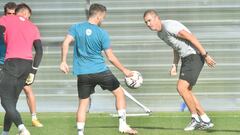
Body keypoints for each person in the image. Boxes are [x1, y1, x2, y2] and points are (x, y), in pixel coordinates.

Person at [60, 3, 137, 135]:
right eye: (103, 17)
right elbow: (111, 57)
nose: (103, 19)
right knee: (119, 93)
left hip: (83, 73)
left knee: (83, 104)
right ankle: (123, 126)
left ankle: (80, 133)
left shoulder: (76, 27)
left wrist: (63, 61)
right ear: (99, 16)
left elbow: (65, 42)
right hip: (100, 71)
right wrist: (125, 71)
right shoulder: (102, 33)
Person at [143, 10, 216, 131]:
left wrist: (205, 55)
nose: (148, 24)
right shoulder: (160, 34)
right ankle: (206, 120)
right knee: (187, 91)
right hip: (186, 59)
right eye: (146, 22)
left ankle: (195, 119)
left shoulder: (169, 26)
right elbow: (175, 47)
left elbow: (191, 37)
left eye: (149, 20)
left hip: (194, 56)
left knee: (181, 88)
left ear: (157, 18)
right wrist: (174, 65)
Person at [0, 3, 43, 135]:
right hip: (27, 65)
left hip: (12, 62)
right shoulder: (33, 27)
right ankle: (5, 133)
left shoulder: (6, 19)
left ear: (17, 12)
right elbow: (40, 51)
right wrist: (33, 72)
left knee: (5, 101)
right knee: (12, 101)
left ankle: (21, 128)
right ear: (25, 13)